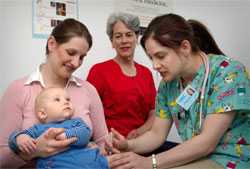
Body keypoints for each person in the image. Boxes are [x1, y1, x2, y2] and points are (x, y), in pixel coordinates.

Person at [108, 13, 250, 169]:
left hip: (231, 158)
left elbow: (207, 142)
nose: (155, 65)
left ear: (185, 47)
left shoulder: (228, 72)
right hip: (196, 156)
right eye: (151, 58)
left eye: (160, 56)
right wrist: (127, 145)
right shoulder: (167, 85)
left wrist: (150, 162)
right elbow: (156, 134)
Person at [0, 18, 109, 168]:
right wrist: (36, 151)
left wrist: (103, 152)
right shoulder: (19, 89)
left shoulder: (88, 90)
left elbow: (103, 142)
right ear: (52, 44)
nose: (76, 63)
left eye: (82, 57)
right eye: (71, 53)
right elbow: (2, 157)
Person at [87, 12, 156, 139]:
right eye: (118, 36)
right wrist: (105, 139)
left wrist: (139, 132)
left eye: (129, 35)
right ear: (112, 42)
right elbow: (88, 112)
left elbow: (153, 112)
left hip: (143, 141)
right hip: (110, 145)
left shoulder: (146, 73)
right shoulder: (99, 71)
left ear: (136, 38)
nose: (124, 41)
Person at [8, 87, 109, 169]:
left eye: (68, 99)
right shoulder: (37, 130)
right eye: (57, 99)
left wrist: (66, 135)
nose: (66, 102)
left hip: (92, 163)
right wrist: (20, 138)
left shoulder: (76, 122)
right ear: (43, 114)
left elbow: (85, 133)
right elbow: (13, 140)